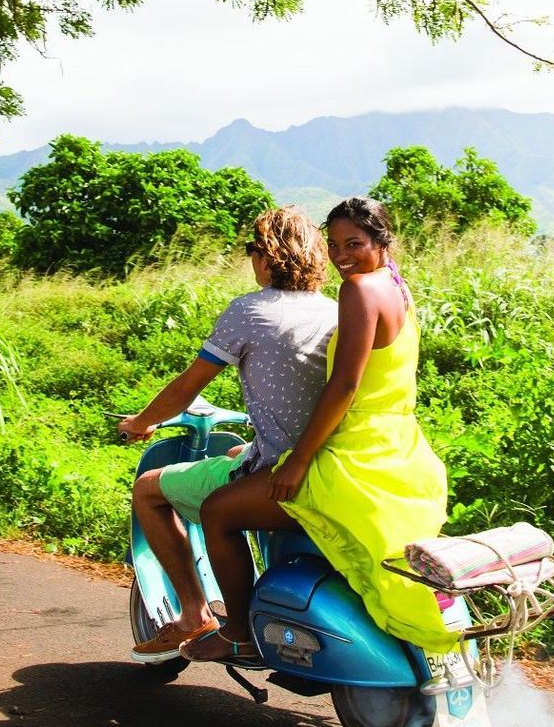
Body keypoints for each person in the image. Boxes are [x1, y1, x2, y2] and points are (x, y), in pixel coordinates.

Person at [185, 196, 454, 663]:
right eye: (332, 245)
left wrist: (301, 461)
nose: (341, 256)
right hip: (399, 450)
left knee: (217, 511)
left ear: (381, 240)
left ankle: (238, 635)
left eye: (354, 243)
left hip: (352, 456)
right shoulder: (397, 287)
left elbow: (345, 384)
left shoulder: (358, 291)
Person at [116, 206, 336, 659]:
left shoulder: (249, 311)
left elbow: (185, 387)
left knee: (148, 491)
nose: (252, 258)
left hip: (285, 473)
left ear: (270, 256)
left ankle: (203, 617)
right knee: (239, 450)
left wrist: (142, 422)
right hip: (330, 464)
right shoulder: (337, 314)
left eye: (254, 250)